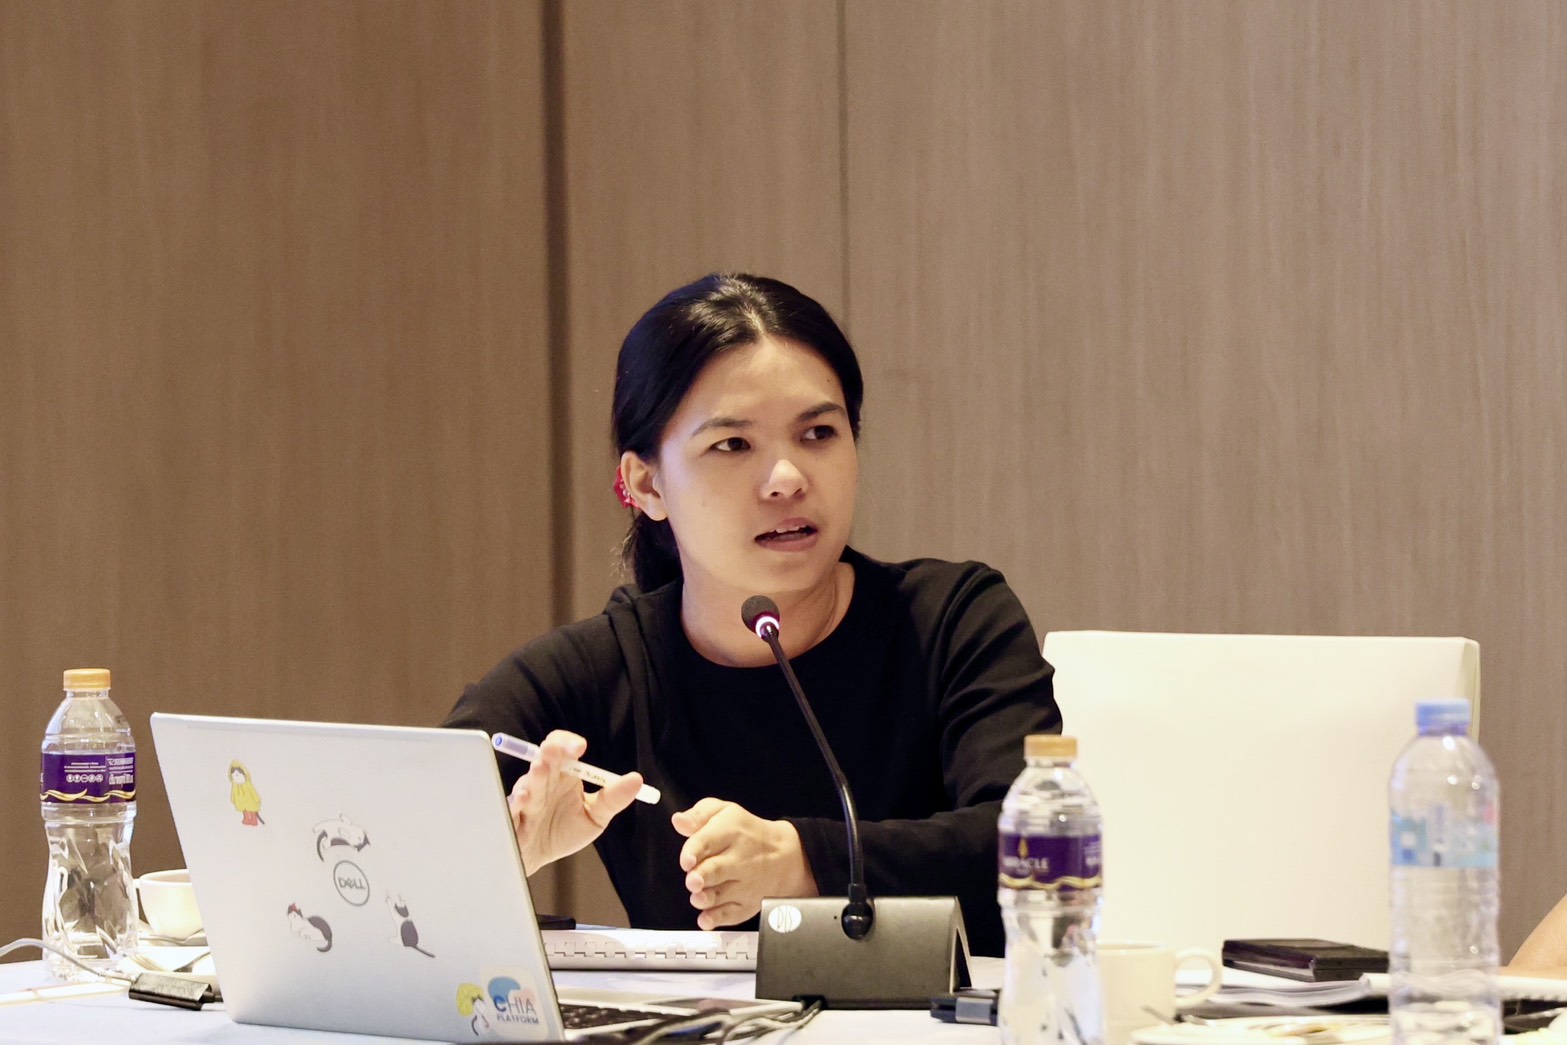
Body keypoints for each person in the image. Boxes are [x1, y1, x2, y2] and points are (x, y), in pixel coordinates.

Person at [443, 273, 1060, 956]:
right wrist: (498, 863)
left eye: (818, 433)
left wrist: (803, 861)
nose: (787, 478)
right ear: (647, 484)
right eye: (733, 444)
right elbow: (395, 844)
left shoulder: (952, 621)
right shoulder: (600, 670)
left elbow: (1034, 847)